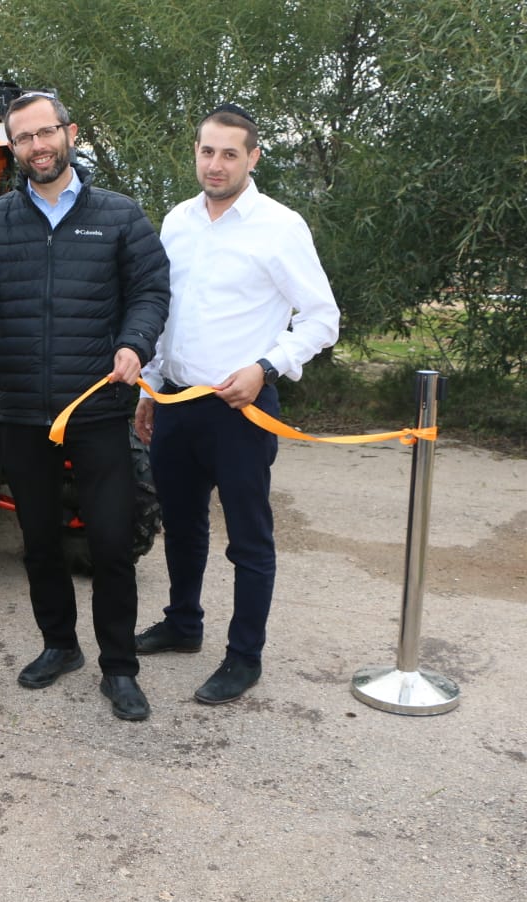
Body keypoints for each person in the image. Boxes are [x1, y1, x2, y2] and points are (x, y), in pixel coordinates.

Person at [0, 91, 170, 722]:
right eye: (23, 138)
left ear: (69, 133)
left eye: (46, 133)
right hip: (20, 411)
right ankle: (60, 646)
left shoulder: (119, 216)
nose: (38, 147)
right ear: (11, 147)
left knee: (113, 544)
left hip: (97, 411)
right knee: (38, 541)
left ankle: (119, 667)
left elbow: (151, 291)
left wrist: (134, 343)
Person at [134, 103, 340, 704]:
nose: (216, 163)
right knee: (182, 526)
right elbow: (164, 312)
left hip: (241, 409)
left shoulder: (280, 226)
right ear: (195, 153)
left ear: (253, 157)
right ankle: (182, 624)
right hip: (174, 401)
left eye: (230, 153)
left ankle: (244, 657)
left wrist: (266, 366)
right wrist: (149, 387)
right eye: (207, 151)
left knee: (249, 538)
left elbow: (323, 318)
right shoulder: (177, 221)